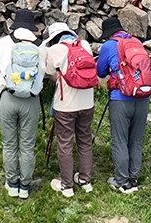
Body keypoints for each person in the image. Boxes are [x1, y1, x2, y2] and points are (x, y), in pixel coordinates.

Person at [96, 18, 151, 193]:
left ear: (108, 34)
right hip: (142, 97)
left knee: (120, 141)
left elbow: (100, 71)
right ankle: (133, 179)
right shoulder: (136, 42)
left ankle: (121, 181)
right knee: (136, 141)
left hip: (120, 98)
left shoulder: (109, 46)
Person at [42, 22, 96, 197]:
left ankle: (67, 185)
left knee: (65, 142)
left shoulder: (55, 50)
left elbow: (51, 74)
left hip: (65, 105)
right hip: (87, 102)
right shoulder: (85, 45)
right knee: (85, 140)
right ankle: (85, 180)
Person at [0, 9, 43, 199]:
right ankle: (24, 186)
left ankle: (12, 183)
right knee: (27, 145)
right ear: (32, 27)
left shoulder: (5, 43)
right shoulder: (41, 46)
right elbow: (44, 71)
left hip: (8, 96)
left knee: (9, 144)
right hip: (31, 100)